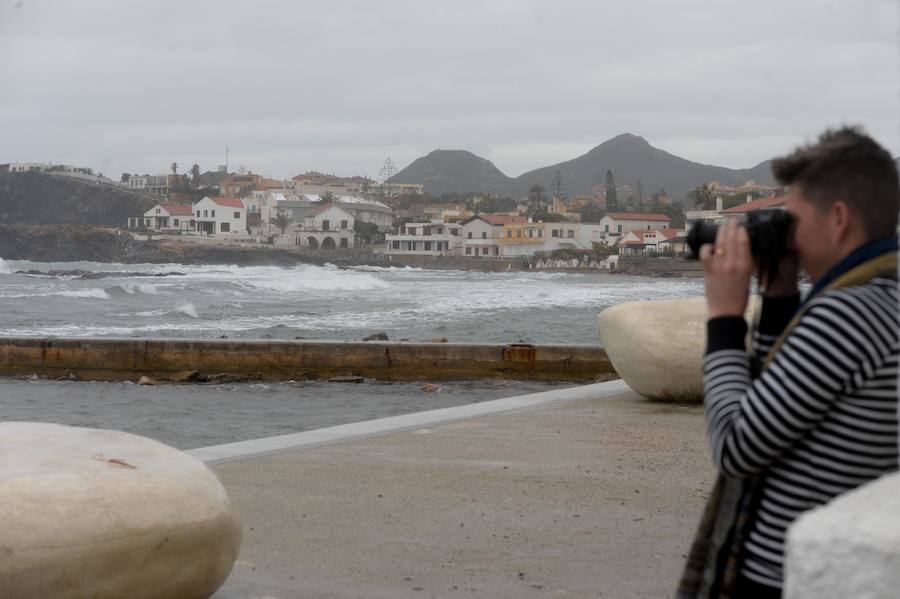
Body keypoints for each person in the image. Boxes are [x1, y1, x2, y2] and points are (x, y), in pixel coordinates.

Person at [678, 126, 900, 598]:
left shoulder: (847, 312)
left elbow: (737, 447)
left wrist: (723, 321)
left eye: (793, 220)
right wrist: (779, 299)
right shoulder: (883, 294)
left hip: (784, 575)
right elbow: (777, 401)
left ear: (838, 219)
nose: (788, 236)